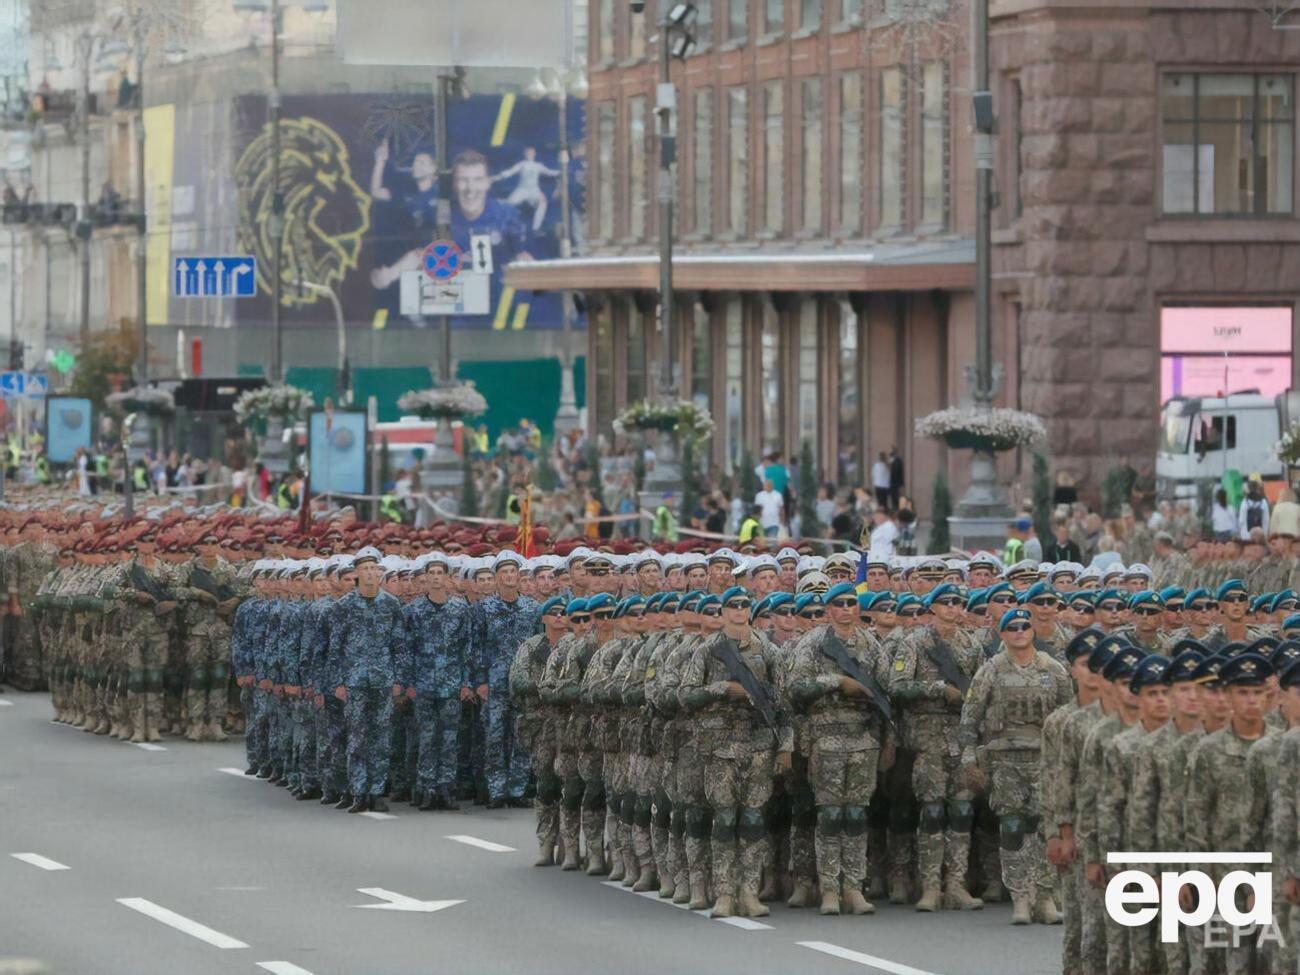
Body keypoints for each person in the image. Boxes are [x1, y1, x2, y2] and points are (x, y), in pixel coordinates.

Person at [1238, 474, 1270, 540]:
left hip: (1246, 535)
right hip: (1260, 535)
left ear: (1248, 489)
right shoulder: (1263, 502)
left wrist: (1242, 534)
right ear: (1257, 488)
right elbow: (1266, 520)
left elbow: (1241, 521)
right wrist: (1265, 534)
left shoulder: (1244, 502)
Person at [888, 447, 905, 511]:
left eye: (891, 454)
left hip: (896, 485)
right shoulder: (896, 461)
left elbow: (895, 474)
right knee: (895, 501)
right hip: (895, 485)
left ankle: (897, 513)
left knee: (896, 500)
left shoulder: (897, 462)